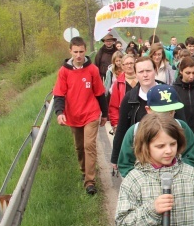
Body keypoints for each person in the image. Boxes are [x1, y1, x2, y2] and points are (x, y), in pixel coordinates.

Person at [53, 36, 108, 195]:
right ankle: (84, 170)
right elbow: (59, 94)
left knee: (88, 145)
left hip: (91, 113)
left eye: (81, 52)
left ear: (85, 51)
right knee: (79, 147)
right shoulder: (64, 71)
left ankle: (90, 182)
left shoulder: (92, 69)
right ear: (70, 51)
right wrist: (59, 112)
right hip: (73, 115)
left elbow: (99, 92)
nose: (78, 55)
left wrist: (104, 114)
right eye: (75, 52)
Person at [110, 57, 187, 169]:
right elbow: (122, 129)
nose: (145, 75)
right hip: (141, 157)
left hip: (169, 156)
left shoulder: (169, 94)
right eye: (141, 72)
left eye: (148, 71)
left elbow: (182, 124)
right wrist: (115, 157)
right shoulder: (130, 98)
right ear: (136, 74)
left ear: (155, 71)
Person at [116, 84, 194, 178]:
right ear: (148, 110)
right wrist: (139, 181)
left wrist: (178, 176)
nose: (167, 116)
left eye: (171, 112)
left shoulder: (182, 127)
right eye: (162, 112)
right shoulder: (135, 131)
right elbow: (125, 164)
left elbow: (191, 158)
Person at [108, 54, 138, 132]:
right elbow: (113, 105)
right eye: (126, 64)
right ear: (122, 66)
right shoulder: (118, 83)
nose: (129, 66)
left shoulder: (142, 79)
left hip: (141, 119)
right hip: (125, 120)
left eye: (131, 63)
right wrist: (115, 124)